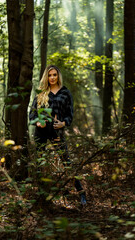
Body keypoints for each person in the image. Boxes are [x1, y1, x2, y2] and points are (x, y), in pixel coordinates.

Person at [29, 64, 86, 205]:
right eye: (50, 75)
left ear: (58, 76)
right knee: (40, 163)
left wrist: (63, 123)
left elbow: (69, 115)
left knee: (66, 161)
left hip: (57, 132)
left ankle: (81, 192)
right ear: (46, 77)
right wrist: (37, 122)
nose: (52, 77)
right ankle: (41, 196)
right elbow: (32, 115)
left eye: (54, 75)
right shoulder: (41, 92)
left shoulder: (65, 93)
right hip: (41, 132)